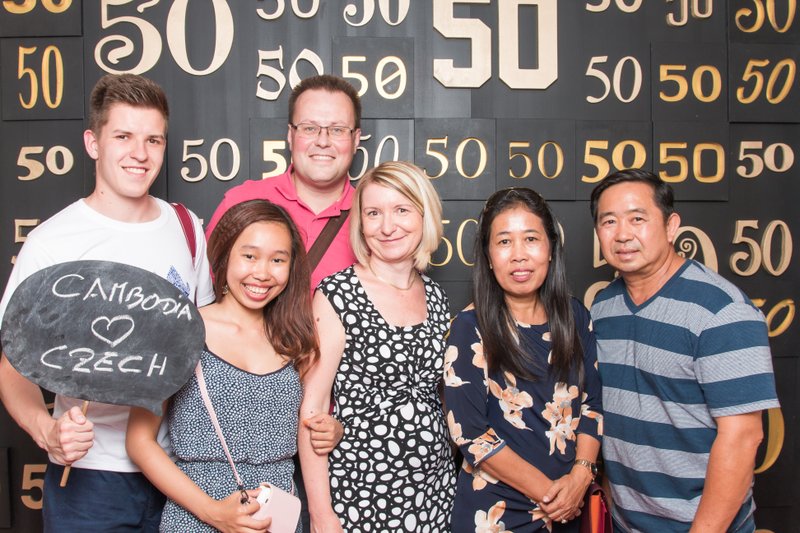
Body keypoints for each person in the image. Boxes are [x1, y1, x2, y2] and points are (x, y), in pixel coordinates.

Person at [0, 74, 215, 531]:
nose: (140, 153)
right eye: (123, 137)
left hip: (179, 469)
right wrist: (46, 430)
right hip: (89, 476)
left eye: (153, 140)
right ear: (93, 143)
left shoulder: (187, 229)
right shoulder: (53, 242)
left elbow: (203, 342)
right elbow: (12, 365)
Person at [589, 168, 780, 532]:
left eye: (638, 219)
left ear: (671, 225)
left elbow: (743, 438)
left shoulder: (722, 311)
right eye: (608, 221)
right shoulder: (603, 308)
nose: (623, 234)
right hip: (626, 523)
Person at [126, 200, 317, 532]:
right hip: (197, 517)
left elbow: (310, 424)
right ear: (225, 256)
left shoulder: (295, 340)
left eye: (277, 260)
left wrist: (332, 429)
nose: (262, 273)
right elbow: (139, 442)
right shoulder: (182, 331)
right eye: (249, 256)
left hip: (278, 518)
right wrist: (212, 512)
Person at [299, 161, 456, 532]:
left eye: (401, 210)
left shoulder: (436, 296)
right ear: (360, 222)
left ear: (424, 215)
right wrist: (322, 515)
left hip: (436, 494)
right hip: (362, 494)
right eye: (373, 213)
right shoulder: (338, 294)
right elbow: (312, 410)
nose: (387, 227)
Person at [443, 187, 603, 532]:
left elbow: (593, 407)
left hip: (569, 509)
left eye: (531, 239)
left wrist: (580, 476)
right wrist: (553, 496)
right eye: (504, 242)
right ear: (488, 256)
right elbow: (470, 434)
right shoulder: (470, 327)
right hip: (496, 514)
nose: (518, 255)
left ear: (551, 249)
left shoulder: (576, 317)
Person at [205, 74, 361, 290]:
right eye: (309, 128)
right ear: (290, 135)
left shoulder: (373, 219)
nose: (323, 141)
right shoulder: (241, 201)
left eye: (337, 130)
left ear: (356, 139)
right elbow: (205, 291)